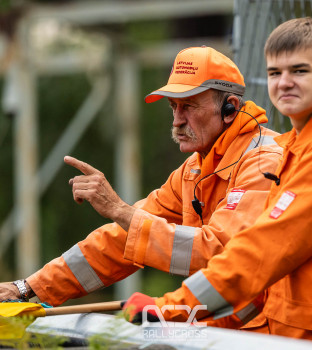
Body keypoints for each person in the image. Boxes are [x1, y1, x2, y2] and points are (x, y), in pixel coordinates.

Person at [0, 47, 281, 319]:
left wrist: (120, 211)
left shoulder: (262, 162)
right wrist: (28, 288)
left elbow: (223, 254)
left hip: (273, 335)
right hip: (229, 326)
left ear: (229, 109)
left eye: (189, 107)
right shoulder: (195, 167)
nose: (177, 121)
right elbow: (121, 240)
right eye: (174, 107)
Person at [122, 18, 312, 345]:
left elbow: (262, 250)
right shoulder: (297, 144)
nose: (284, 83)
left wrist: (171, 308)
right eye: (275, 73)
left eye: (299, 71)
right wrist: (31, 288)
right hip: (296, 335)